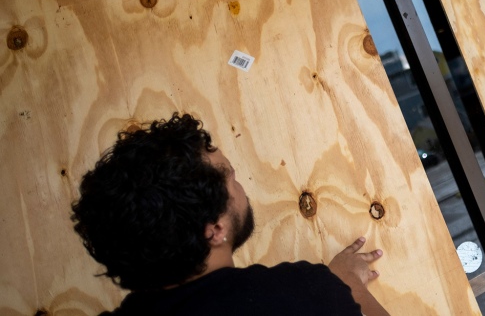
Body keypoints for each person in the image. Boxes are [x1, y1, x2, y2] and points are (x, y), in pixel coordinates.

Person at [71, 113, 390, 316]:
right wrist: (349, 286)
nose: (239, 185)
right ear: (213, 230)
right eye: (230, 177)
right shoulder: (302, 294)